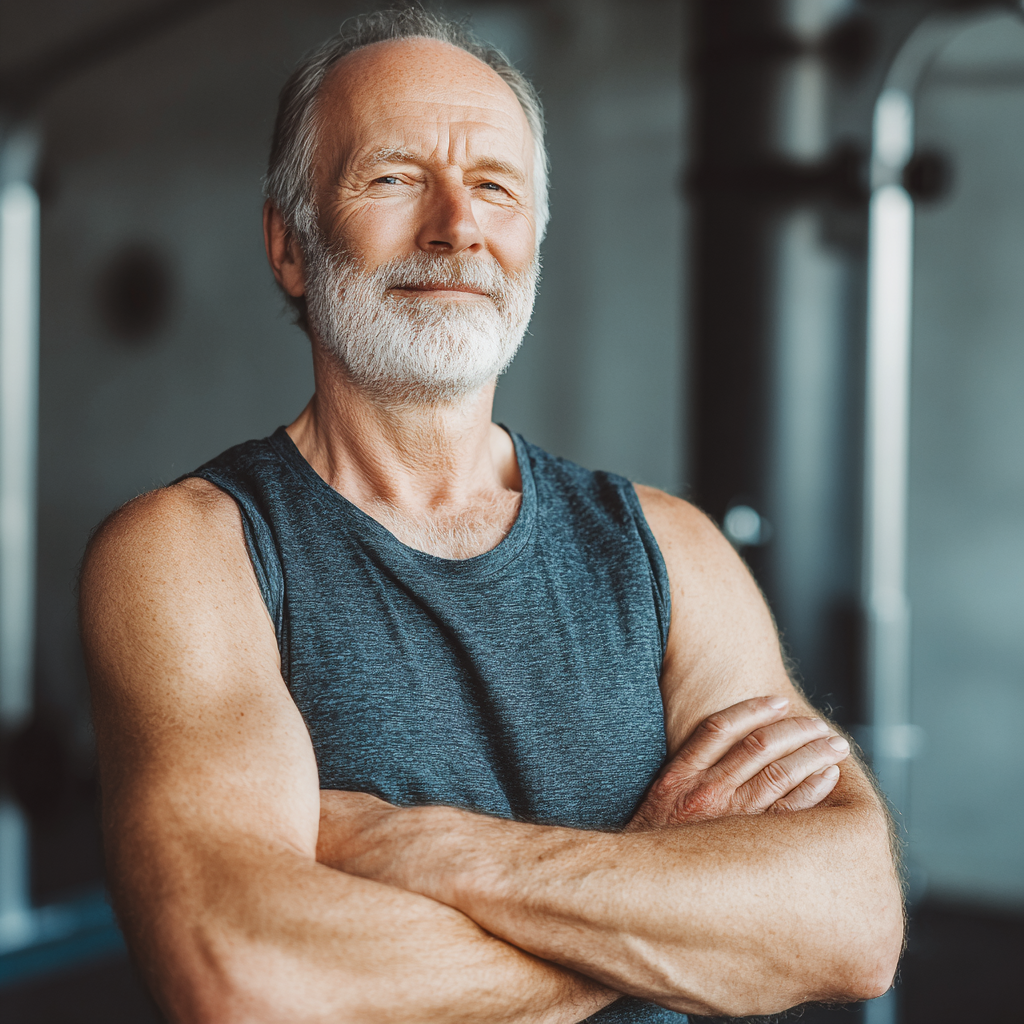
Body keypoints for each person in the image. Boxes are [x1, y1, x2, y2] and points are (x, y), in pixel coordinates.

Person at [79, 8, 903, 1023]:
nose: (456, 226)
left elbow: (855, 919)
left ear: (532, 246)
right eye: (393, 176)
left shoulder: (667, 548)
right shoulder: (190, 553)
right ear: (290, 244)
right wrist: (661, 907)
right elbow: (248, 977)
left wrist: (417, 847)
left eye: (496, 188)